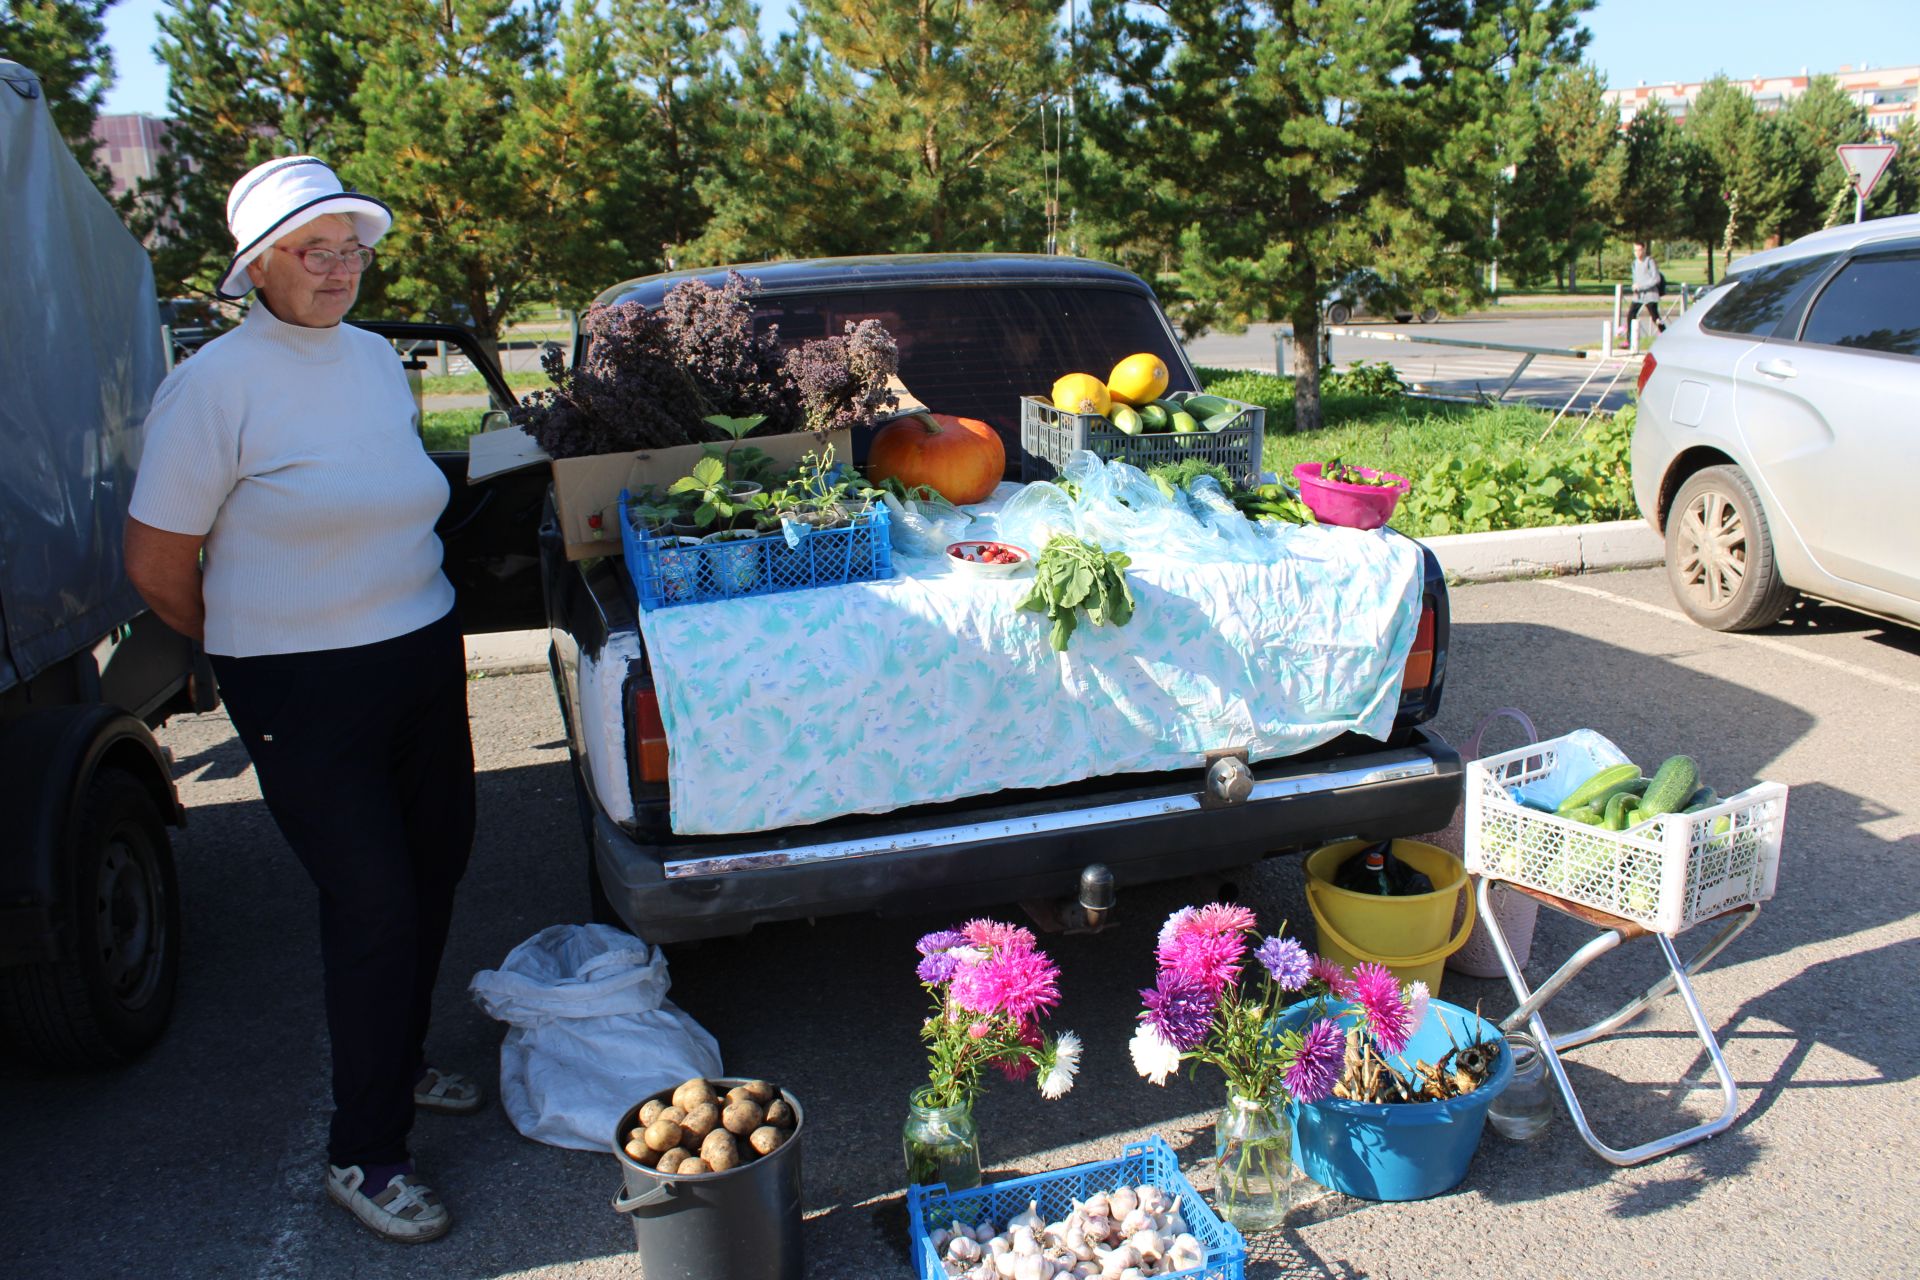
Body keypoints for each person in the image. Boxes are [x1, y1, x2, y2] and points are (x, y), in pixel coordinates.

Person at [123, 156, 479, 1245]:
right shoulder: (214, 383)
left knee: (434, 865)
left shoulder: (377, 361)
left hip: (418, 648)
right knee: (371, 902)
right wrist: (249, 635)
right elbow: (156, 560)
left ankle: (400, 1056)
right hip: (299, 681)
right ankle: (364, 1154)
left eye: (352, 249)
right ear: (257, 268)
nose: (339, 270)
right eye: (312, 252)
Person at [1621, 241, 1666, 346]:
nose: (1637, 253)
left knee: (1655, 317)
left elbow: (1656, 278)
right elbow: (1635, 278)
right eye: (1635, 250)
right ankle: (1629, 340)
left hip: (1650, 295)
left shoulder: (1649, 261)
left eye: (1639, 250)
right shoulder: (1634, 263)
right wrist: (1635, 286)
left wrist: (1641, 286)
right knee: (1631, 315)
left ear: (1644, 250)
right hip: (1638, 295)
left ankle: (1665, 334)